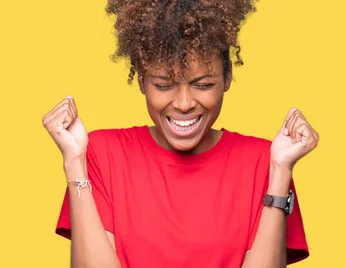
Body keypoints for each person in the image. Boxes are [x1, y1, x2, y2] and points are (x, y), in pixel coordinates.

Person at [41, 0, 319, 267]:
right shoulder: (102, 153)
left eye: (204, 84)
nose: (184, 103)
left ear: (227, 78)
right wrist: (74, 162)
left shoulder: (264, 161)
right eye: (164, 85)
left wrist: (281, 171)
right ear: (141, 80)